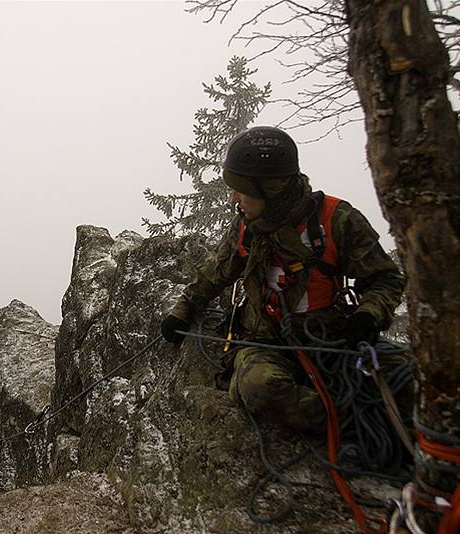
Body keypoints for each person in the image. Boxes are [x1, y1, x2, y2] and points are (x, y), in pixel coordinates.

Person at [161, 126, 406, 434]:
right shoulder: (246, 227)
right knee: (257, 387)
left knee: (412, 377)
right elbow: (216, 271)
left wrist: (368, 316)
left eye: (242, 190)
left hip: (331, 339)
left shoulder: (336, 220)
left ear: (270, 190)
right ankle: (348, 422)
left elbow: (385, 278)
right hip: (265, 341)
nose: (233, 199)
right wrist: (183, 309)